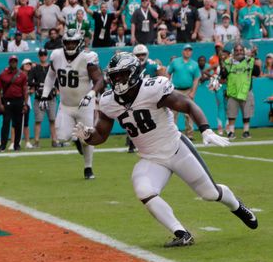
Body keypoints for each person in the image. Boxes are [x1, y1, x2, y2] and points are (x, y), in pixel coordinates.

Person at [75, 52, 258, 247]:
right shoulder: (108, 101)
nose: (117, 80)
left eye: (122, 74)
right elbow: (101, 135)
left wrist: (205, 130)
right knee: (144, 190)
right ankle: (182, 233)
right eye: (114, 76)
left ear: (134, 73)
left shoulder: (152, 89)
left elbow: (187, 104)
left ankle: (237, 206)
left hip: (176, 149)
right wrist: (88, 136)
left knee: (210, 194)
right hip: (150, 158)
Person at [40, 29, 104, 179]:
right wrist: (44, 95)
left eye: (73, 43)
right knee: (62, 137)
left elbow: (100, 80)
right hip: (66, 105)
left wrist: (91, 95)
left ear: (79, 43)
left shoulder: (88, 58)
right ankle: (76, 140)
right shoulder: (56, 56)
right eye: (67, 43)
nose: (70, 46)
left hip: (84, 105)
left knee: (88, 139)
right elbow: (50, 77)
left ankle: (88, 168)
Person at [221, 43, 260, 139]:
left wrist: (254, 59)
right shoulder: (228, 62)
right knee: (231, 114)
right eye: (237, 50)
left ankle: (246, 131)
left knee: (247, 113)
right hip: (233, 92)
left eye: (241, 50)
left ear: (244, 51)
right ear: (233, 52)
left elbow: (257, 73)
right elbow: (223, 75)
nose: (239, 52)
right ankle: (231, 132)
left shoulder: (249, 61)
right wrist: (223, 64)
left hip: (246, 91)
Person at [166, 45, 202, 140]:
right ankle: (172, 134)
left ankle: (190, 135)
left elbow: (196, 78)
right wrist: (167, 86)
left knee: (189, 113)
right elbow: (168, 73)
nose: (188, 52)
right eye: (186, 50)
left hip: (188, 90)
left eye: (190, 50)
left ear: (191, 52)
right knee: (173, 113)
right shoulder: (175, 62)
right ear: (182, 51)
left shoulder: (194, 64)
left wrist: (193, 92)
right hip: (175, 90)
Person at [0, 55, 27, 153]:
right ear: (9, 62)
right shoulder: (3, 74)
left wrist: (25, 104)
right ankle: (3, 145)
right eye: (12, 61)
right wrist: (0, 103)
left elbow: (25, 90)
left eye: (15, 61)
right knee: (6, 123)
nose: (13, 63)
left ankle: (17, 145)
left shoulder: (22, 75)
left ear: (17, 62)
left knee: (18, 123)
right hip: (7, 100)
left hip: (19, 100)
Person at [29, 49, 57, 148]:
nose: (43, 56)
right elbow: (29, 81)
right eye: (41, 54)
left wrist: (56, 89)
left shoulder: (52, 67)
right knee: (38, 120)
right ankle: (36, 142)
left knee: (52, 120)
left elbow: (57, 80)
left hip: (51, 97)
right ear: (38, 56)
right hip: (39, 98)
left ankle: (54, 140)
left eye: (44, 54)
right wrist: (39, 84)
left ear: (47, 55)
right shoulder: (35, 68)